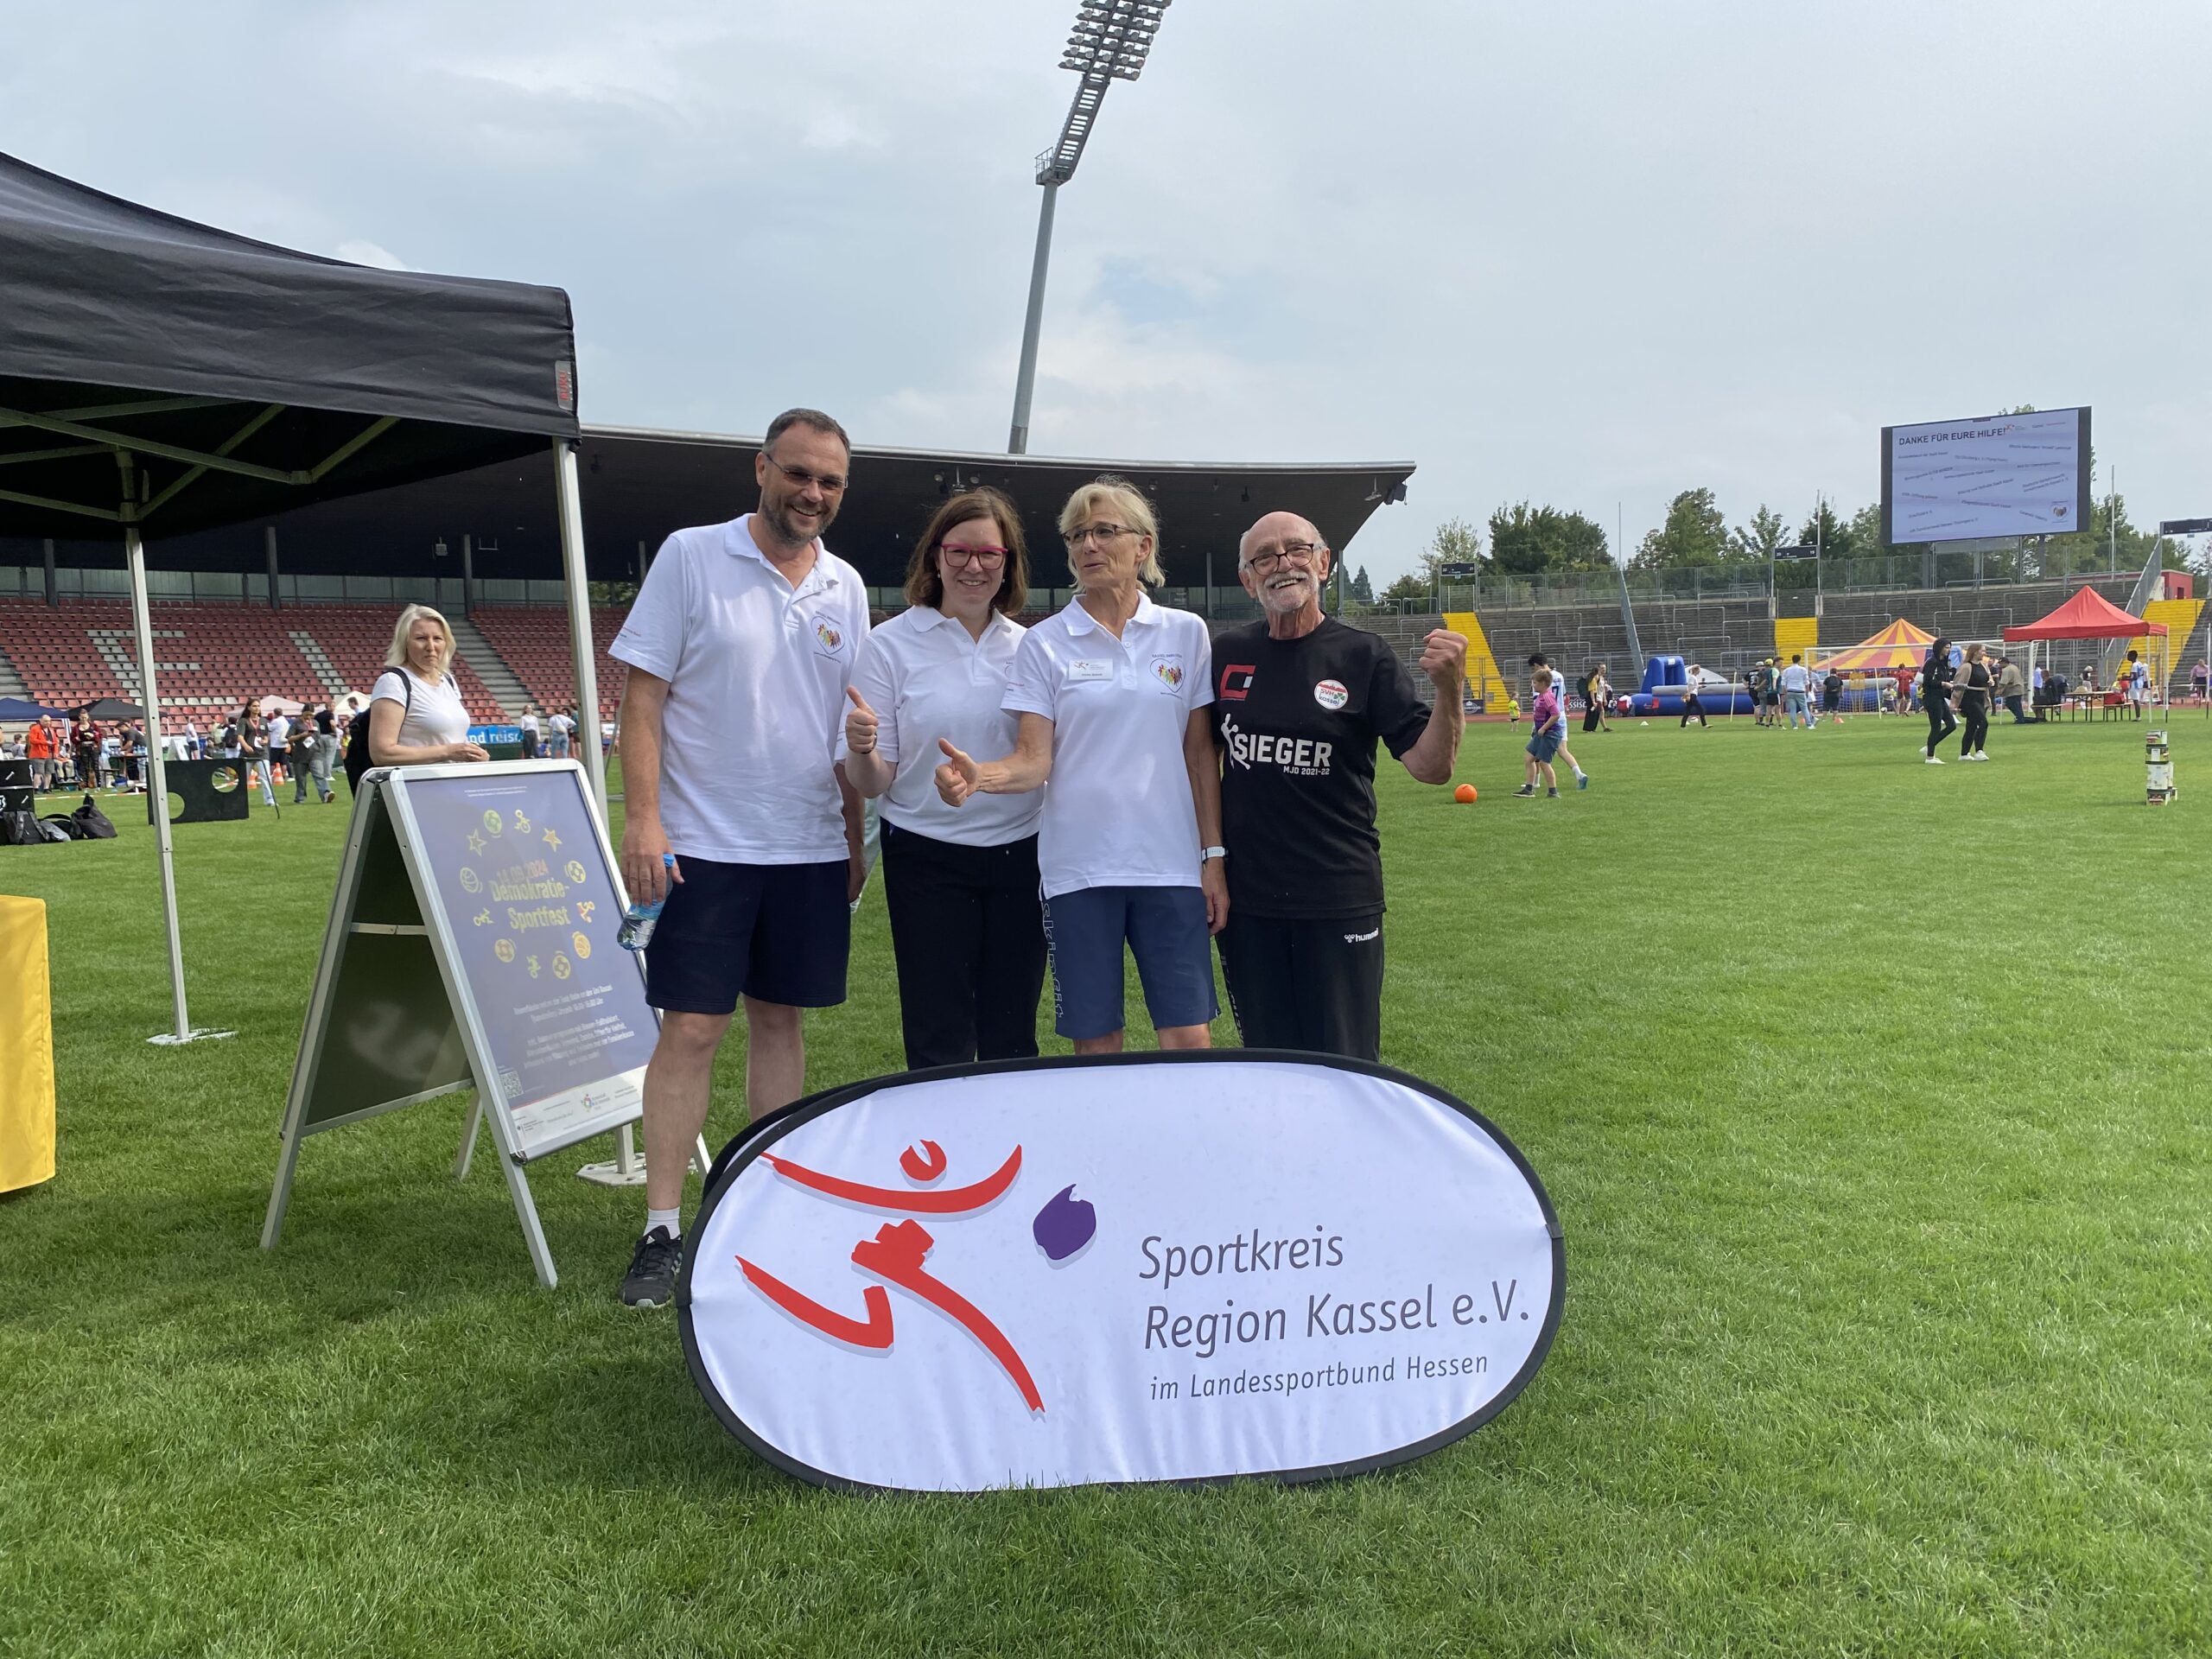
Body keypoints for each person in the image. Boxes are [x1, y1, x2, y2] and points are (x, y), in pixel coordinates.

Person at [609, 407, 870, 1309]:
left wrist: (850, 834)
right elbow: (641, 701)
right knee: (691, 1029)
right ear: (761, 468)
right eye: (798, 473)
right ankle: (662, 1227)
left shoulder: (845, 585)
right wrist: (644, 820)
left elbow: (842, 727)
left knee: (780, 1023)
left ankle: (765, 1208)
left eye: (830, 481)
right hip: (701, 844)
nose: (812, 493)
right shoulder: (692, 556)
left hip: (805, 844)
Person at [936, 475, 1224, 1057]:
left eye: (1104, 532)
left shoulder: (1186, 634)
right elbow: (1033, 760)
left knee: (1189, 1038)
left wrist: (1212, 857)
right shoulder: (1045, 643)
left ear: (1142, 547)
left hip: (1170, 868)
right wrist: (981, 777)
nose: (1088, 545)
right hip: (1079, 873)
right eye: (1076, 535)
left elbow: (1199, 757)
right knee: (1096, 1044)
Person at [1204, 510, 1465, 1060]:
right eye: (1264, 557)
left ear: (1323, 563)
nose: (1283, 564)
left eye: (1297, 550)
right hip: (1249, 902)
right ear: (1248, 580)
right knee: (1267, 1060)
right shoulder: (1226, 654)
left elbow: (1431, 767)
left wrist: (1449, 691)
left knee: (1346, 1062)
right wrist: (1213, 861)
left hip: (1338, 896)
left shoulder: (1363, 656)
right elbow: (1202, 760)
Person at [839, 487, 1046, 1070]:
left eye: (989, 554)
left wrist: (984, 780)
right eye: (959, 551)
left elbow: (1039, 757)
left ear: (1008, 563)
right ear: (935, 556)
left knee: (1012, 1030)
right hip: (925, 857)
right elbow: (872, 781)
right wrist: (861, 747)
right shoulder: (889, 646)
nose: (973, 566)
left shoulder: (1032, 648)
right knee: (938, 1033)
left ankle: (1009, 1128)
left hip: (1021, 854)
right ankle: (943, 1131)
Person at [368, 607, 486, 772]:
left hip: (455, 781)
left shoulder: (447, 680)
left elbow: (449, 738)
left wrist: (472, 753)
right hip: (417, 783)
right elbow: (382, 754)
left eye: (437, 638)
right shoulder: (393, 682)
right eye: (421, 638)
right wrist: (448, 752)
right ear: (405, 642)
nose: (431, 646)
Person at [1524, 653, 1587, 785]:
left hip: (1545, 718)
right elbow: (1563, 695)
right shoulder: (1559, 675)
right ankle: (1579, 774)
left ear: (1536, 665)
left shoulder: (1540, 678)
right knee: (1563, 750)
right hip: (1561, 715)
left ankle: (1535, 782)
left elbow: (1537, 701)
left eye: (1534, 668)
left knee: (1535, 750)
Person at [1516, 669, 1565, 797]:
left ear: (1543, 683)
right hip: (1540, 733)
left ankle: (1553, 791)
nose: (1533, 685)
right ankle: (1529, 789)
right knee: (1529, 758)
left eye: (1535, 683)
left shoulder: (1547, 697)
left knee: (1544, 762)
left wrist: (1543, 728)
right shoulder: (1541, 696)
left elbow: (1556, 714)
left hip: (1550, 734)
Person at [1950, 641, 1993, 761]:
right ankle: (1979, 751)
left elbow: (1988, 677)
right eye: (1982, 651)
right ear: (1975, 652)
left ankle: (1964, 754)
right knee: (1983, 722)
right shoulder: (1966, 667)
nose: (1984, 653)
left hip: (1981, 697)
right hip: (1969, 698)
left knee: (1972, 726)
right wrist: (1954, 702)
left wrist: (1990, 682)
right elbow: (1958, 685)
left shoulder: (1984, 666)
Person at [1921, 639, 1957, 763]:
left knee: (1951, 725)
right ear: (1939, 648)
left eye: (1949, 647)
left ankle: (1930, 746)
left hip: (1940, 697)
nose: (1948, 650)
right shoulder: (1932, 662)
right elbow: (1927, 681)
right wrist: (1943, 684)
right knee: (1936, 727)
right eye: (1946, 647)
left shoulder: (1943, 664)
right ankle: (1930, 757)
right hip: (1932, 698)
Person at [1778, 653, 1813, 729]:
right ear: (1799, 660)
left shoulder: (1786, 670)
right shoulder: (1803, 670)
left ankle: (1794, 726)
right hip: (1800, 690)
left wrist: (1785, 693)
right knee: (1804, 708)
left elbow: (1783, 683)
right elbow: (1806, 682)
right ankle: (1809, 724)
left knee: (1792, 709)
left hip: (1790, 690)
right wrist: (1807, 692)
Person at [1997, 655, 2035, 723]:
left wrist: (1999, 690)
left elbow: (2004, 682)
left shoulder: (2006, 670)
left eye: (2000, 663)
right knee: (2017, 705)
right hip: (2018, 688)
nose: (1999, 665)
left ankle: (2020, 718)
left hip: (2013, 690)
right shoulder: (2014, 667)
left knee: (2011, 704)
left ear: (2004, 663)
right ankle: (2021, 718)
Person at [1583, 664, 1611, 734]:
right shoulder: (1596, 677)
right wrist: (1593, 700)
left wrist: (1604, 699)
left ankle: (1593, 728)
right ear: (1598, 669)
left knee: (1597, 713)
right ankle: (1601, 728)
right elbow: (1592, 689)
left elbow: (1603, 689)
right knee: (1599, 712)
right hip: (1596, 697)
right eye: (1602, 668)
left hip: (1599, 698)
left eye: (1605, 668)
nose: (1604, 669)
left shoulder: (1602, 678)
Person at [1680, 664, 1709, 728]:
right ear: (1696, 670)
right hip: (1692, 695)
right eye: (1699, 670)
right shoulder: (1692, 677)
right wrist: (1688, 694)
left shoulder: (1693, 677)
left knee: (1688, 710)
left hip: (1692, 694)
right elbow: (1690, 686)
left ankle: (1683, 725)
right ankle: (1704, 724)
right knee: (1701, 709)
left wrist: (1700, 687)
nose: (1699, 671)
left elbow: (1693, 687)